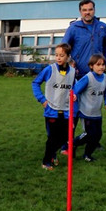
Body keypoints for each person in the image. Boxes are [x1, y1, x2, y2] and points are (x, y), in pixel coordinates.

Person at [31, 42, 75, 170]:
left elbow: (75, 87)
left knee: (65, 137)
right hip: (51, 110)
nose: (58, 58)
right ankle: (46, 162)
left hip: (66, 110)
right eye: (56, 55)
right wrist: (42, 100)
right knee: (52, 138)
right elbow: (35, 83)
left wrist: (75, 95)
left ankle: (52, 154)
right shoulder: (50, 69)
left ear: (68, 56)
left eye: (62, 55)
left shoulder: (72, 72)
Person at [73, 53, 106, 163]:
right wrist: (74, 95)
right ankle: (73, 143)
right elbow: (75, 89)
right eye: (98, 65)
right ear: (91, 66)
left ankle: (87, 154)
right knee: (89, 134)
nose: (101, 67)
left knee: (97, 135)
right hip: (86, 112)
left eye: (103, 64)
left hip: (97, 113)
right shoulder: (87, 78)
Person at [63, 0, 106, 80]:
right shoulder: (73, 28)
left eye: (90, 9)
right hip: (79, 73)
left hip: (97, 72)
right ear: (80, 11)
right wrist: (69, 61)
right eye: (84, 10)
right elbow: (64, 47)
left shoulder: (102, 26)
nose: (87, 12)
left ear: (94, 10)